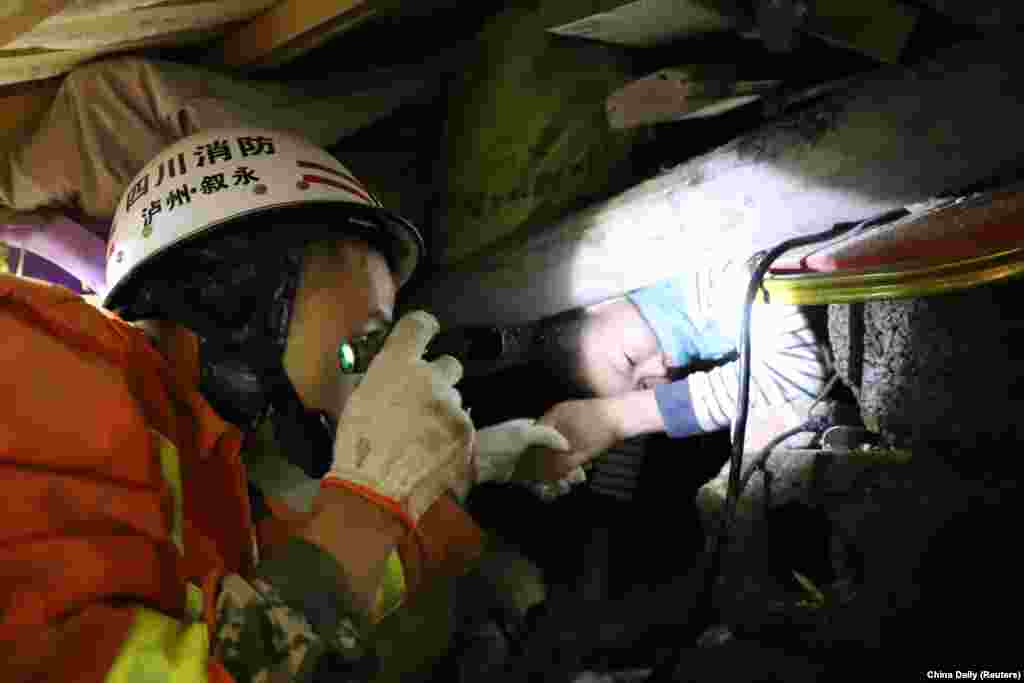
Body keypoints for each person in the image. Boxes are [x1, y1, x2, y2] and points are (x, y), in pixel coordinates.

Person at [0, 127, 570, 683]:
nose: (371, 371)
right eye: (368, 337)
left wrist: (457, 468)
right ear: (239, 295)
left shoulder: (214, 468)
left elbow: (301, 601)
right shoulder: (42, 348)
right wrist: (370, 502)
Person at [520, 256, 831, 482]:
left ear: (599, 301)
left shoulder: (696, 275)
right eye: (643, 386)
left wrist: (621, 417)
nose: (658, 370)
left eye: (630, 359)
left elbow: (796, 371)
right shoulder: (695, 325)